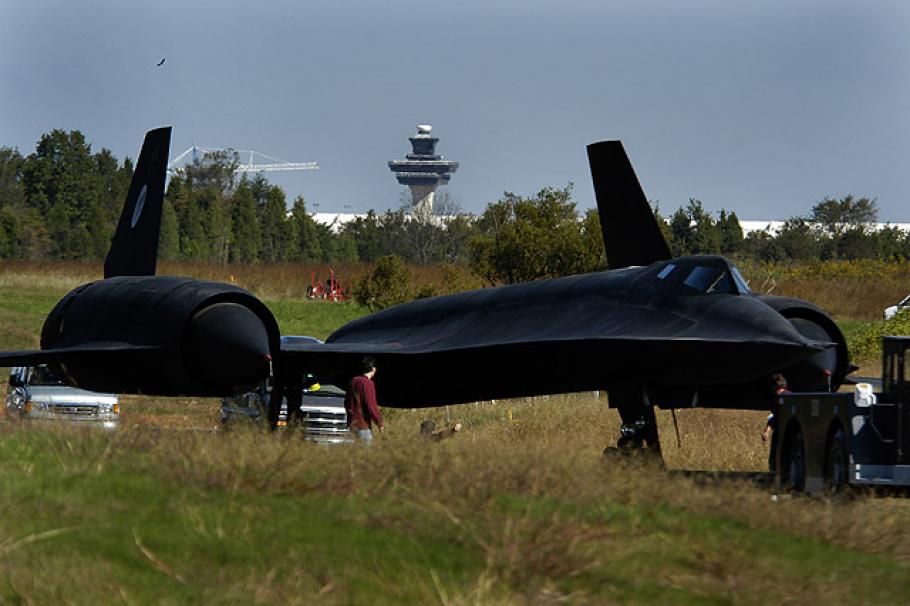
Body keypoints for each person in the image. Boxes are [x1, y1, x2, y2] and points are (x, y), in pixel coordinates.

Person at [345, 356, 384, 444]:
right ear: (373, 369)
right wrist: (379, 422)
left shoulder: (353, 381)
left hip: (351, 425)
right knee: (365, 455)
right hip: (363, 425)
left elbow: (346, 402)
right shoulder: (368, 383)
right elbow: (371, 406)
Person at [762, 373, 788, 472]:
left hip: (780, 432)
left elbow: (775, 416)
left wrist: (767, 431)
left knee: (774, 460)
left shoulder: (778, 397)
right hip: (790, 433)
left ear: (775, 385)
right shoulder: (791, 396)